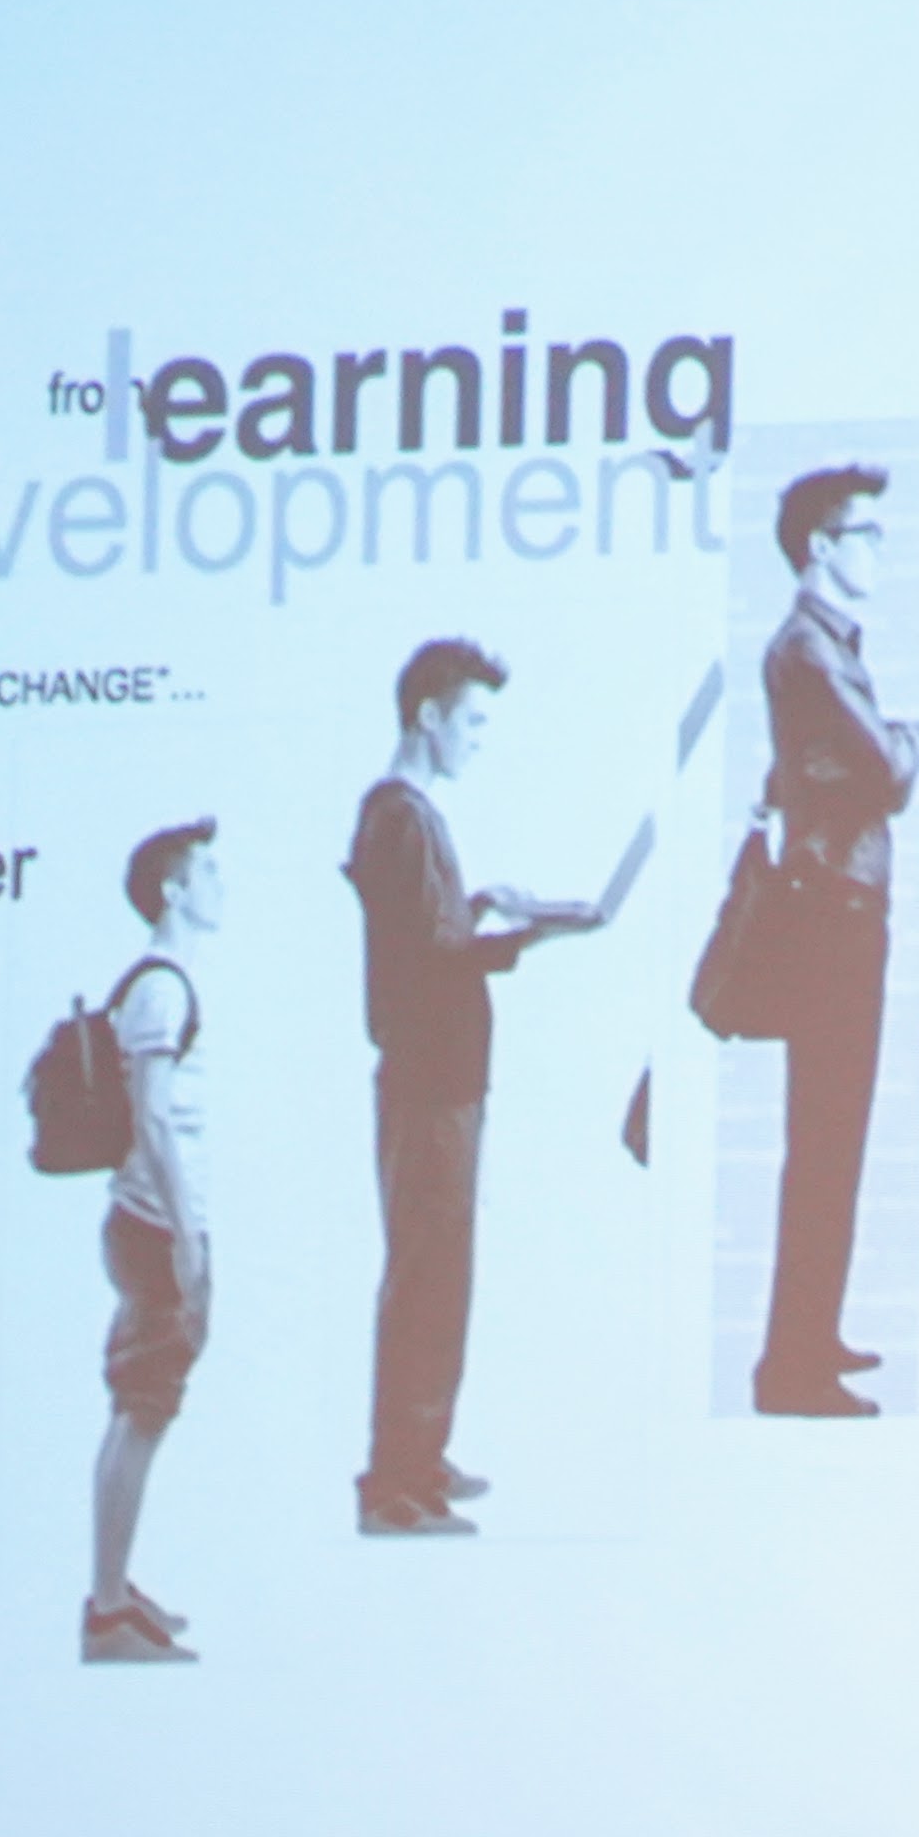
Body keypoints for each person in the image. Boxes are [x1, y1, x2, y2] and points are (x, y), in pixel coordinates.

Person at [347, 637, 595, 1533]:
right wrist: (537, 933)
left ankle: (419, 1456)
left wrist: (482, 907)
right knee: (428, 1272)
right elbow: (434, 958)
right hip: (430, 1079)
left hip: (438, 1075)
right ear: (429, 716)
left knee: (439, 1269)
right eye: (473, 722)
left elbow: (424, 934)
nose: (479, 740)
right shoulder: (403, 818)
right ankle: (396, 1484)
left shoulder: (401, 817)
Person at [749, 464, 919, 1414]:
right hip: (834, 917)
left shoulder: (821, 649)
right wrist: (912, 739)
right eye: (867, 535)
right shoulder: (810, 653)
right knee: (824, 1138)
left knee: (834, 1139)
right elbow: (887, 771)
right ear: (819, 545)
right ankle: (792, 1367)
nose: (879, 552)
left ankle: (809, 1338)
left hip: (839, 908)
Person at [86, 820, 219, 1659]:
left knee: (137, 1412)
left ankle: (113, 1591)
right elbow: (154, 1117)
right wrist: (185, 1236)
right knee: (141, 1412)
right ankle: (106, 1612)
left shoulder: (160, 985)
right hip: (155, 1227)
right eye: (206, 870)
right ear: (172, 890)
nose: (219, 883)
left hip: (151, 1222)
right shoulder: (162, 990)